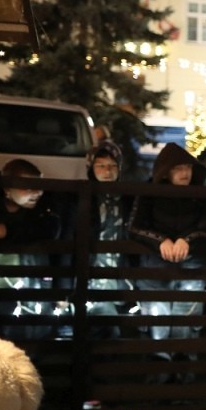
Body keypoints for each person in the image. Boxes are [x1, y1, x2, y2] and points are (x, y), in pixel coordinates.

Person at [128, 142, 206, 381]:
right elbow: (135, 226)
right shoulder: (150, 192)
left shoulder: (201, 193)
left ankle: (182, 392)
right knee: (156, 333)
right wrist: (160, 241)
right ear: (166, 171)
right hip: (154, 272)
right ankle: (157, 391)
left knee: (185, 333)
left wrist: (187, 240)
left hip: (191, 270)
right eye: (178, 168)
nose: (184, 173)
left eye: (187, 167)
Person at [0, 157, 62, 340]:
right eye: (27, 187)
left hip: (30, 289)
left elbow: (51, 228)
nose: (37, 193)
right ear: (7, 189)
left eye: (39, 186)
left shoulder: (44, 207)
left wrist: (8, 230)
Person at [80, 139, 133, 332]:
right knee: (104, 327)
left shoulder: (128, 197)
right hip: (92, 274)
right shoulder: (84, 196)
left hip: (121, 275)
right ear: (91, 168)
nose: (107, 171)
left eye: (112, 166)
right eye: (100, 166)